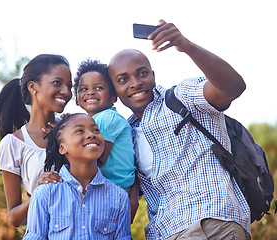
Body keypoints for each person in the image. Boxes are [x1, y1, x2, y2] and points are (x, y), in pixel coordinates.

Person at [107, 20, 251, 239]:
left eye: (142, 73)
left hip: (211, 223)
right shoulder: (125, 134)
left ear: (153, 75)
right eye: (123, 79)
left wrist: (187, 46)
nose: (135, 83)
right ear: (115, 92)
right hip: (165, 233)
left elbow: (233, 87)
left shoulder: (181, 97)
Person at [0, 54, 72, 227]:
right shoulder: (13, 144)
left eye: (69, 86)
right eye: (57, 83)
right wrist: (39, 191)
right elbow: (14, 218)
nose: (66, 92)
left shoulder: (73, 128)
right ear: (33, 87)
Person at [23, 113, 132, 239]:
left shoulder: (119, 197)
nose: (91, 134)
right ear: (62, 148)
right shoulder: (45, 193)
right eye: (79, 131)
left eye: (96, 130)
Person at [73, 59, 139, 221]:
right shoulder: (91, 122)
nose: (90, 92)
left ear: (113, 96)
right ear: (76, 98)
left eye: (99, 88)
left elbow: (97, 158)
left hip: (113, 193)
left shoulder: (108, 118)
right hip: (108, 191)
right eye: (84, 89)